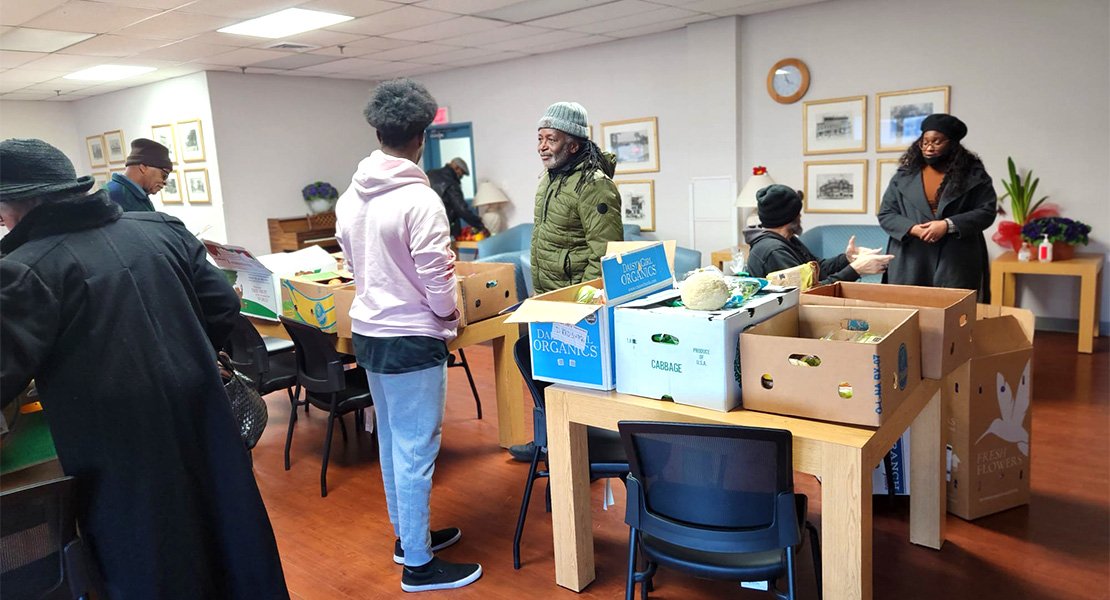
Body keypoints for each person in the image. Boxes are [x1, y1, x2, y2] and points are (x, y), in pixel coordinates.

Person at [0, 139, 289, 600]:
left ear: (10, 207)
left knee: (154, 568)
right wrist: (184, 354)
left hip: (120, 459)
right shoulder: (163, 229)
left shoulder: (25, 270)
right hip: (208, 427)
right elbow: (220, 309)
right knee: (235, 549)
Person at [334, 79, 482, 593]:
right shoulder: (420, 199)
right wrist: (450, 316)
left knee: (395, 445)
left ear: (378, 132)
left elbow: (351, 266)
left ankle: (408, 537)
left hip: (369, 334)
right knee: (417, 449)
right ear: (422, 137)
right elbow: (439, 279)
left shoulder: (351, 195)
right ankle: (418, 566)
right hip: (412, 337)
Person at [509, 101, 623, 462]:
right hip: (546, 297)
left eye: (551, 139)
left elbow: (603, 252)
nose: (542, 146)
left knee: (574, 384)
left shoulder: (595, 186)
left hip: (574, 304)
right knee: (541, 374)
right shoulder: (549, 179)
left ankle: (578, 451)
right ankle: (547, 440)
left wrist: (583, 306)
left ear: (573, 145)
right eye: (540, 138)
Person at [877, 113, 997, 301]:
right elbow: (886, 213)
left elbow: (986, 212)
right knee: (906, 310)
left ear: (952, 144)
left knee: (953, 312)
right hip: (911, 256)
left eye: (937, 142)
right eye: (925, 142)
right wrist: (913, 229)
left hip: (956, 257)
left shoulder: (974, 175)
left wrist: (947, 225)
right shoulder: (904, 175)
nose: (929, 147)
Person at [744, 184, 893, 282]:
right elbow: (809, 293)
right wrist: (856, 270)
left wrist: (847, 259)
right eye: (798, 213)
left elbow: (817, 269)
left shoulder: (788, 240)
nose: (800, 216)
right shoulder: (773, 251)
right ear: (790, 218)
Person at [426, 157, 488, 239]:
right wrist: (480, 225)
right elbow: (461, 209)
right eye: (461, 174)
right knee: (449, 250)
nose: (460, 177)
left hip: (425, 224)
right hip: (443, 227)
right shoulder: (451, 184)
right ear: (457, 168)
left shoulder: (430, 174)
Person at [104, 137, 173, 211]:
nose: (165, 182)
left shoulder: (134, 194)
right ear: (143, 167)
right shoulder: (112, 196)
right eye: (164, 175)